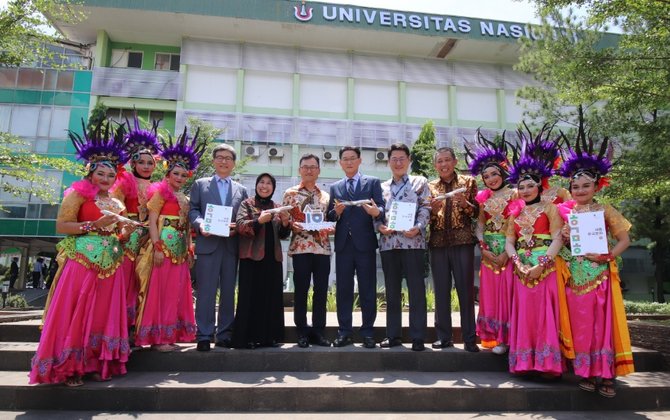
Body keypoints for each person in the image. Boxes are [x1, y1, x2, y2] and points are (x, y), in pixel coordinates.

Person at [30, 119, 132, 386]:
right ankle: (70, 366)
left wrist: (128, 232)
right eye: (101, 174)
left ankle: (96, 362)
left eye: (111, 175)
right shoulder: (77, 194)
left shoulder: (117, 201)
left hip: (111, 261)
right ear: (90, 172)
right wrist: (92, 225)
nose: (106, 179)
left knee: (102, 314)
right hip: (82, 261)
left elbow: (118, 234)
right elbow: (62, 225)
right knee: (77, 312)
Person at [556, 131, 634, 397]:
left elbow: (625, 239)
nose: (580, 191)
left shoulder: (605, 210)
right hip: (576, 277)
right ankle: (586, 372)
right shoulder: (568, 213)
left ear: (596, 187)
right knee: (582, 325)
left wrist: (610, 256)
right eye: (575, 187)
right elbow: (566, 247)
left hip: (600, 276)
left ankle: (606, 375)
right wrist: (565, 238)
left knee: (603, 327)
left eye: (585, 186)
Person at [134, 127, 205, 352]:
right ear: (167, 173)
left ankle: (170, 334)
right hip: (162, 247)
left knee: (175, 292)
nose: (180, 178)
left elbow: (185, 227)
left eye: (184, 175)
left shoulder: (184, 198)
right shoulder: (159, 193)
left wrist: (190, 249)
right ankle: (157, 339)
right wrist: (156, 247)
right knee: (160, 291)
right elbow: (152, 221)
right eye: (176, 174)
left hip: (180, 250)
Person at [504, 139, 566, 378]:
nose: (526, 190)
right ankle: (524, 362)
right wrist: (517, 263)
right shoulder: (515, 212)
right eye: (521, 187)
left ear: (539, 187)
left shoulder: (551, 208)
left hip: (546, 267)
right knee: (525, 314)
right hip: (521, 267)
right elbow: (510, 241)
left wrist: (543, 264)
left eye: (530, 186)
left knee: (545, 314)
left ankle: (548, 364)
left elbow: (558, 238)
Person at [189, 144, 249, 351]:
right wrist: (200, 225)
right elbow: (193, 210)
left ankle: (224, 333)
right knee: (205, 292)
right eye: (220, 157)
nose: (223, 161)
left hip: (231, 246)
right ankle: (204, 334)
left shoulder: (241, 189)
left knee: (228, 293)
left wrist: (238, 228)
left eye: (228, 158)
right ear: (214, 161)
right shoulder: (200, 184)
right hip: (208, 244)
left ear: (233, 163)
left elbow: (244, 217)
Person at [327, 146, 384, 348]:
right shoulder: (335, 187)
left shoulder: (373, 183)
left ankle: (368, 332)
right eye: (345, 159)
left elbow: (382, 208)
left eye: (353, 158)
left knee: (368, 289)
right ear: (340, 163)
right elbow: (329, 216)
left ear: (360, 161)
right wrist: (337, 212)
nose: (349, 162)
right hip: (343, 245)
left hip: (365, 244)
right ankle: (344, 332)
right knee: (343, 290)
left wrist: (375, 211)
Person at [111, 114, 161, 340]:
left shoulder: (158, 187)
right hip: (127, 237)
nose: (146, 166)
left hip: (149, 239)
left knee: (145, 282)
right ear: (133, 163)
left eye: (150, 162)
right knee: (125, 281)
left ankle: (139, 328)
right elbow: (113, 209)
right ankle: (120, 328)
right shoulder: (122, 182)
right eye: (141, 162)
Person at [465, 131, 515, 355]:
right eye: (486, 176)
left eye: (494, 174)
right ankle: (494, 337)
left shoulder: (515, 194)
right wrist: (482, 247)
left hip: (510, 250)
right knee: (491, 294)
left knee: (509, 294)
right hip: (489, 252)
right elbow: (480, 224)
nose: (491, 179)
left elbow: (518, 224)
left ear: (503, 172)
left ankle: (509, 339)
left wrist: (507, 250)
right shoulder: (483, 198)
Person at [376, 143, 430, 351]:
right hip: (389, 244)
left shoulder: (420, 182)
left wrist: (418, 227)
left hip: (413, 242)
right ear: (388, 162)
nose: (398, 162)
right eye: (394, 159)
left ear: (409, 161)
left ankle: (418, 337)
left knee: (416, 290)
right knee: (391, 291)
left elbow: (425, 207)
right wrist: (379, 226)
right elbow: (377, 213)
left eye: (402, 158)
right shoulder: (381, 187)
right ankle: (393, 335)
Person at [427, 147, 479, 352]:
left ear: (455, 162)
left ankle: (469, 338)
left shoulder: (468, 182)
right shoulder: (430, 186)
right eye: (439, 161)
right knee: (441, 291)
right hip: (438, 243)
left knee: (465, 291)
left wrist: (465, 204)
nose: (443, 164)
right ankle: (443, 337)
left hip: (462, 242)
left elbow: (477, 213)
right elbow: (426, 217)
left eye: (447, 160)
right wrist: (432, 211)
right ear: (435, 165)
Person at [232, 173, 291, 348]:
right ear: (256, 185)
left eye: (269, 184)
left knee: (271, 298)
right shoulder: (247, 204)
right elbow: (240, 226)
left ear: (273, 188)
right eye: (261, 182)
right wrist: (259, 221)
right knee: (250, 298)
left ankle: (270, 337)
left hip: (272, 259)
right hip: (251, 257)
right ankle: (248, 338)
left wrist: (286, 222)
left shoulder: (277, 207)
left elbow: (283, 234)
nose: (264, 186)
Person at [282, 154, 333, 348]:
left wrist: (329, 227)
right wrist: (291, 225)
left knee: (321, 291)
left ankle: (319, 332)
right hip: (300, 248)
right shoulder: (290, 194)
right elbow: (284, 221)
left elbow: (331, 221)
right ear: (299, 170)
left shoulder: (326, 196)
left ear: (319, 170)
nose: (309, 170)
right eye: (305, 167)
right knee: (301, 290)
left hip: (322, 248)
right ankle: (302, 332)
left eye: (313, 167)